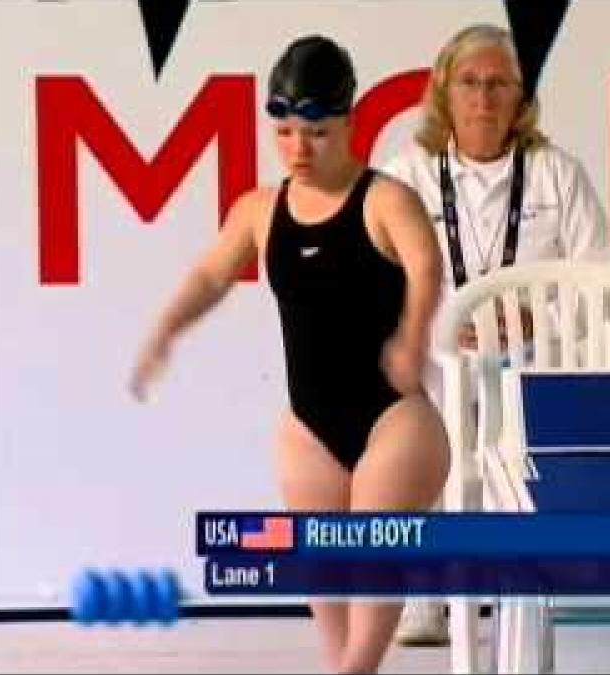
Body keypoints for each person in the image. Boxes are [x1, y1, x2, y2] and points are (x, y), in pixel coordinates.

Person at [128, 35, 449, 673]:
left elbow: (425, 263)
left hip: (396, 418)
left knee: (369, 551)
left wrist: (413, 336)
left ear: (349, 124)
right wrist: (166, 326)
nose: (299, 148)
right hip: (309, 423)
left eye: (318, 132)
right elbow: (211, 276)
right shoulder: (259, 210)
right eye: (285, 131)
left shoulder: (385, 199)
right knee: (324, 571)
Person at [381, 23, 610, 646]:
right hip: (436, 363)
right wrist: (434, 324)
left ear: (522, 96)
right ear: (444, 92)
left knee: (529, 432)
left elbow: (604, 279)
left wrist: (537, 319)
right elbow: (371, 280)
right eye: (469, 83)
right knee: (409, 416)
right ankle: (422, 595)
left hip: (532, 362)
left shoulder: (556, 174)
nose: (483, 98)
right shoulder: (404, 174)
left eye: (498, 84)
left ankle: (532, 589)